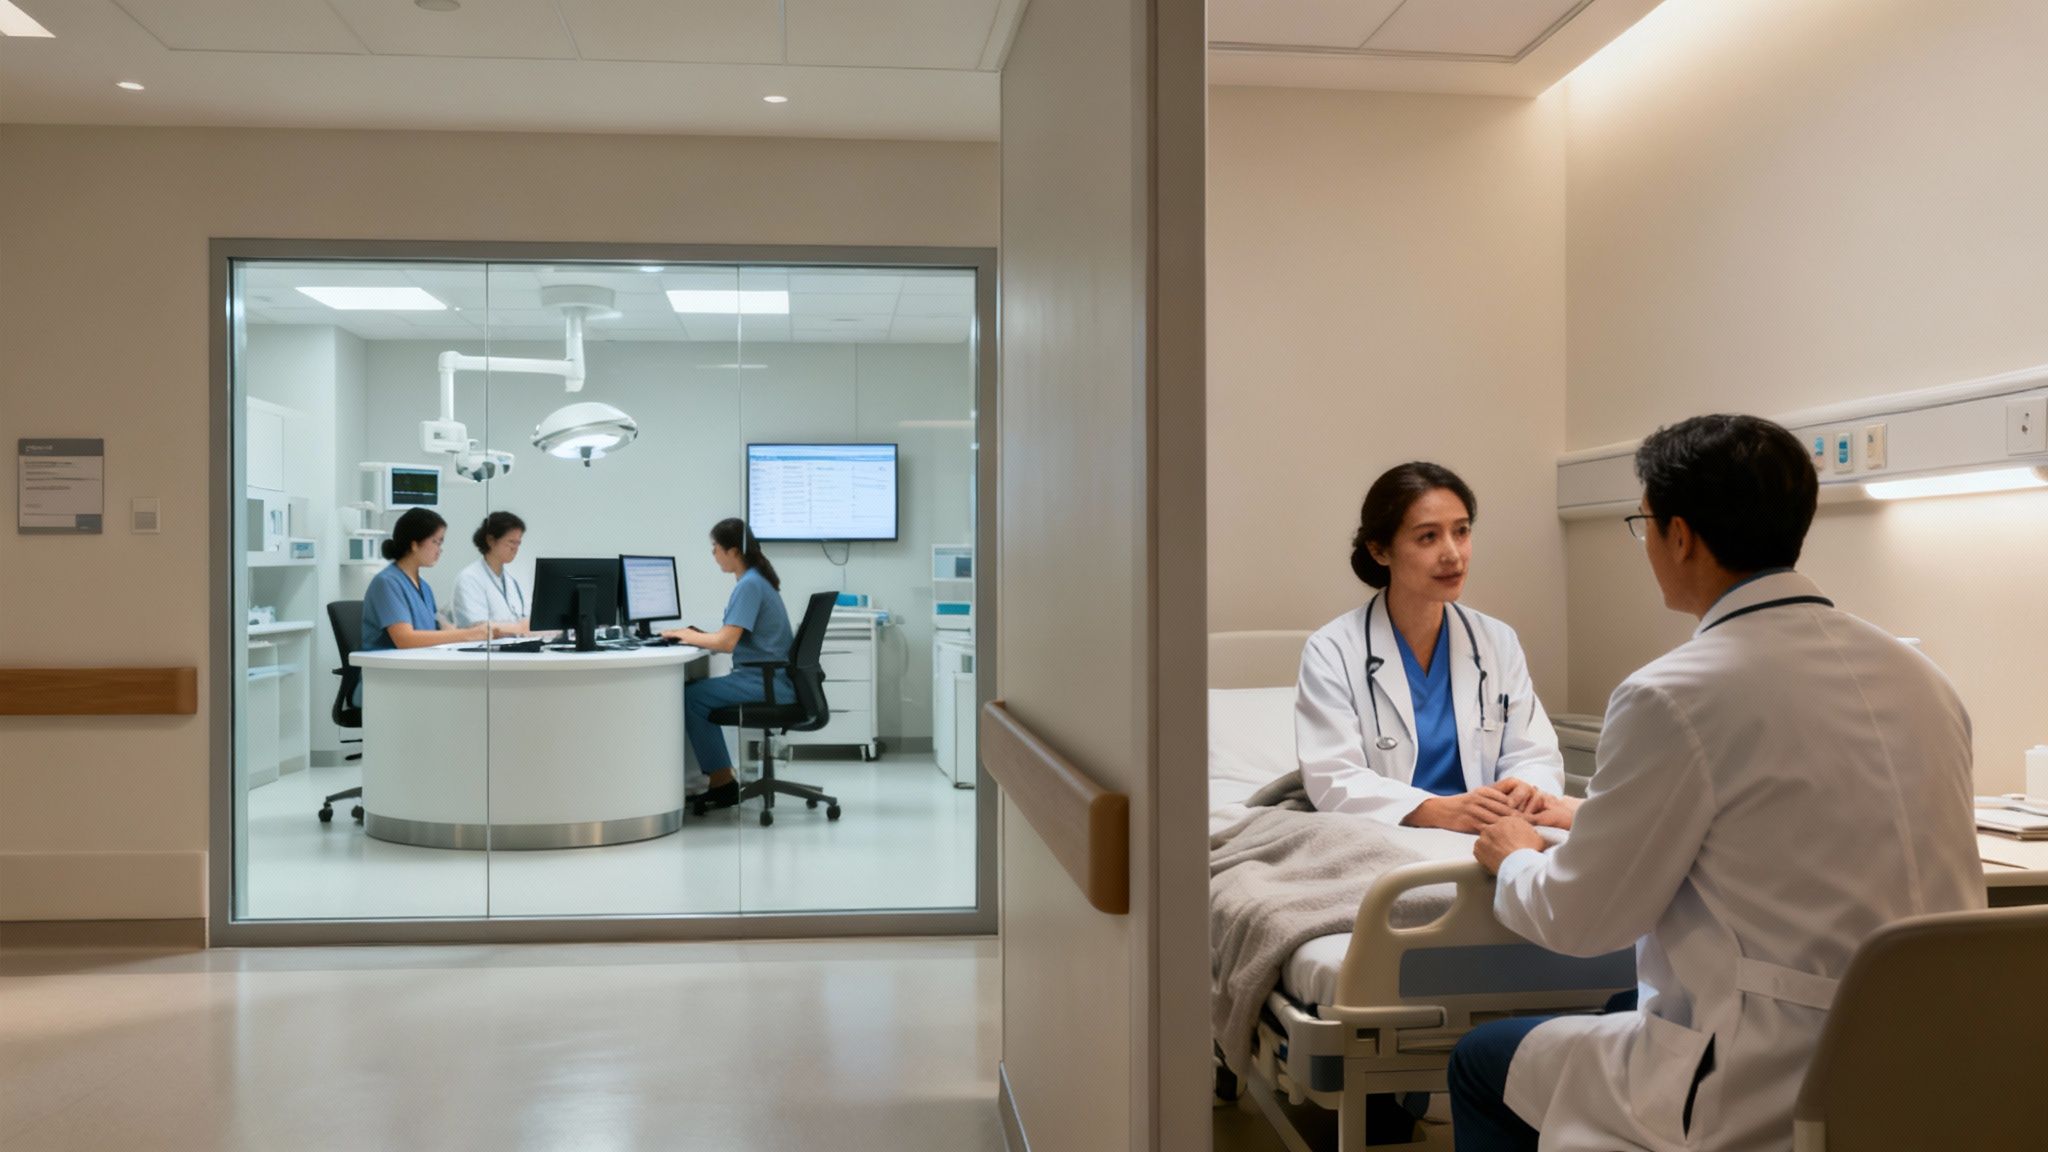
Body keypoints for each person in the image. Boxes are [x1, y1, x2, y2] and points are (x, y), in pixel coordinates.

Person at [1449, 415, 1984, 1152]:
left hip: (1770, 1083)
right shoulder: (1923, 677)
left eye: (1645, 526)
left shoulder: (1672, 693)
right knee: (1619, 1002)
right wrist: (1590, 813)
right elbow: (1776, 821)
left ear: (1680, 536)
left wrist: (1512, 853)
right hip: (1939, 1072)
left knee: (1480, 1063)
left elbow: (1582, 919)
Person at [1295, 462, 1566, 830]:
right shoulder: (1333, 650)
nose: (1453, 554)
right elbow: (1333, 777)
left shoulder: (1496, 641)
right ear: (1379, 550)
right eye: (1428, 537)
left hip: (1489, 830)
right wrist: (1437, 811)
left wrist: (1523, 790)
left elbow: (1534, 752)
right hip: (1392, 832)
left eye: (1462, 531)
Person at [661, 518, 796, 809]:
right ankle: (721, 778)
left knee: (691, 696)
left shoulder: (749, 585)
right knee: (696, 692)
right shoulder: (757, 581)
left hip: (763, 682)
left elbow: (726, 643)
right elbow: (729, 636)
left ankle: (722, 782)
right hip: (769, 679)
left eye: (715, 548)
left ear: (733, 551)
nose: (713, 555)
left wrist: (685, 635)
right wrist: (697, 636)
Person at [357, 509, 490, 701]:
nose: (439, 549)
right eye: (435, 542)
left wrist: (468, 631)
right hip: (387, 683)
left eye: (441, 543)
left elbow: (437, 628)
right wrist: (467, 635)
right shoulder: (386, 583)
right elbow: (405, 639)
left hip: (418, 676)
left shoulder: (424, 587)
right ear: (414, 544)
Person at [452, 511, 531, 632]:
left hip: (513, 647)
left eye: (518, 543)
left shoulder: (512, 581)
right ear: (491, 540)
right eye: (511, 542)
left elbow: (525, 620)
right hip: (482, 649)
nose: (515, 549)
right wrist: (518, 628)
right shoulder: (469, 578)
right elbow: (478, 628)